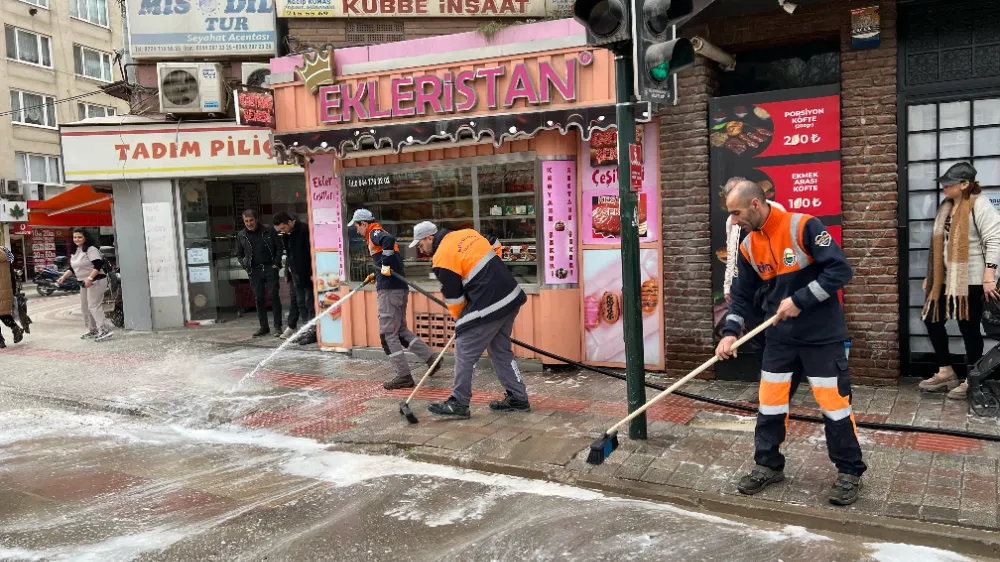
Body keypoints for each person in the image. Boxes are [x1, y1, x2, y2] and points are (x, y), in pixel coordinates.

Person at [715, 180, 866, 506]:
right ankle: (767, 465)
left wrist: (800, 298)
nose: (734, 220)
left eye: (736, 213)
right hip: (780, 341)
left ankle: (850, 471)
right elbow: (741, 298)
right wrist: (730, 332)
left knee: (835, 407)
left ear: (755, 204)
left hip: (822, 338)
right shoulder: (748, 246)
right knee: (769, 404)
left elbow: (840, 270)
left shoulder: (803, 226)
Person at [410, 221, 529, 419]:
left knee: (465, 347)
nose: (421, 250)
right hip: (511, 295)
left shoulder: (442, 258)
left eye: (421, 245)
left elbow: (455, 299)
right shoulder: (467, 233)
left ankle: (459, 402)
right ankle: (518, 397)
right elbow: (495, 244)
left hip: (490, 302)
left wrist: (461, 323)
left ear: (429, 238)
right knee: (500, 350)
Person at [920, 162, 1000, 400]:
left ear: (965, 184)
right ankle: (946, 371)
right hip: (945, 280)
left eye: (950, 183)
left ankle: (971, 378)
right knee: (931, 319)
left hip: (971, 279)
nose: (944, 186)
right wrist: (932, 275)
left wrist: (989, 275)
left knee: (969, 329)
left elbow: (994, 239)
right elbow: (942, 246)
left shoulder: (980, 205)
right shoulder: (946, 207)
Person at [348, 209, 440, 390]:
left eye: (357, 225)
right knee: (399, 330)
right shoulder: (374, 234)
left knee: (387, 334)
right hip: (397, 288)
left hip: (389, 291)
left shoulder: (374, 232)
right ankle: (431, 358)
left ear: (364, 223)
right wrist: (377, 273)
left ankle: (403, 375)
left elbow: (389, 241)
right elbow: (386, 255)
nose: (357, 229)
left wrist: (385, 266)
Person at [58, 228, 113, 341]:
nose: (77, 239)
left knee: (94, 306)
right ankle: (92, 330)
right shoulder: (76, 251)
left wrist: (90, 278)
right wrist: (63, 277)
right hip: (84, 283)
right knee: (85, 308)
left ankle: (104, 329)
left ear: (85, 238)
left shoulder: (91, 249)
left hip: (96, 281)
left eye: (79, 237)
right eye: (74, 237)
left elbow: (97, 265)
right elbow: (72, 268)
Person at [236, 209, 283, 338]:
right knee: (259, 298)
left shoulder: (268, 230)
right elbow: (239, 254)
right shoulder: (241, 235)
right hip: (254, 270)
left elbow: (279, 247)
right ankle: (264, 327)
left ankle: (278, 326)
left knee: (274, 295)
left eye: (251, 220)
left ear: (256, 219)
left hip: (270, 267)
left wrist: (276, 263)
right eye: (246, 221)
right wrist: (245, 264)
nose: (249, 223)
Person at [273, 212, 317, 345]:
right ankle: (304, 330)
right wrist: (288, 270)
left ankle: (313, 331)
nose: (282, 231)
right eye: (280, 229)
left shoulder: (304, 230)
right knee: (300, 302)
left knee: (309, 303)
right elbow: (289, 253)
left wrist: (311, 272)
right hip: (295, 272)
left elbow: (310, 253)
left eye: (283, 228)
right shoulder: (286, 235)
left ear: (290, 222)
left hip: (306, 272)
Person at [0, 242, 25, 348]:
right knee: (2, 312)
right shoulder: (5, 251)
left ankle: (0, 340)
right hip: (6, 288)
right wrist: (13, 290)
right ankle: (15, 327)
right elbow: (11, 272)